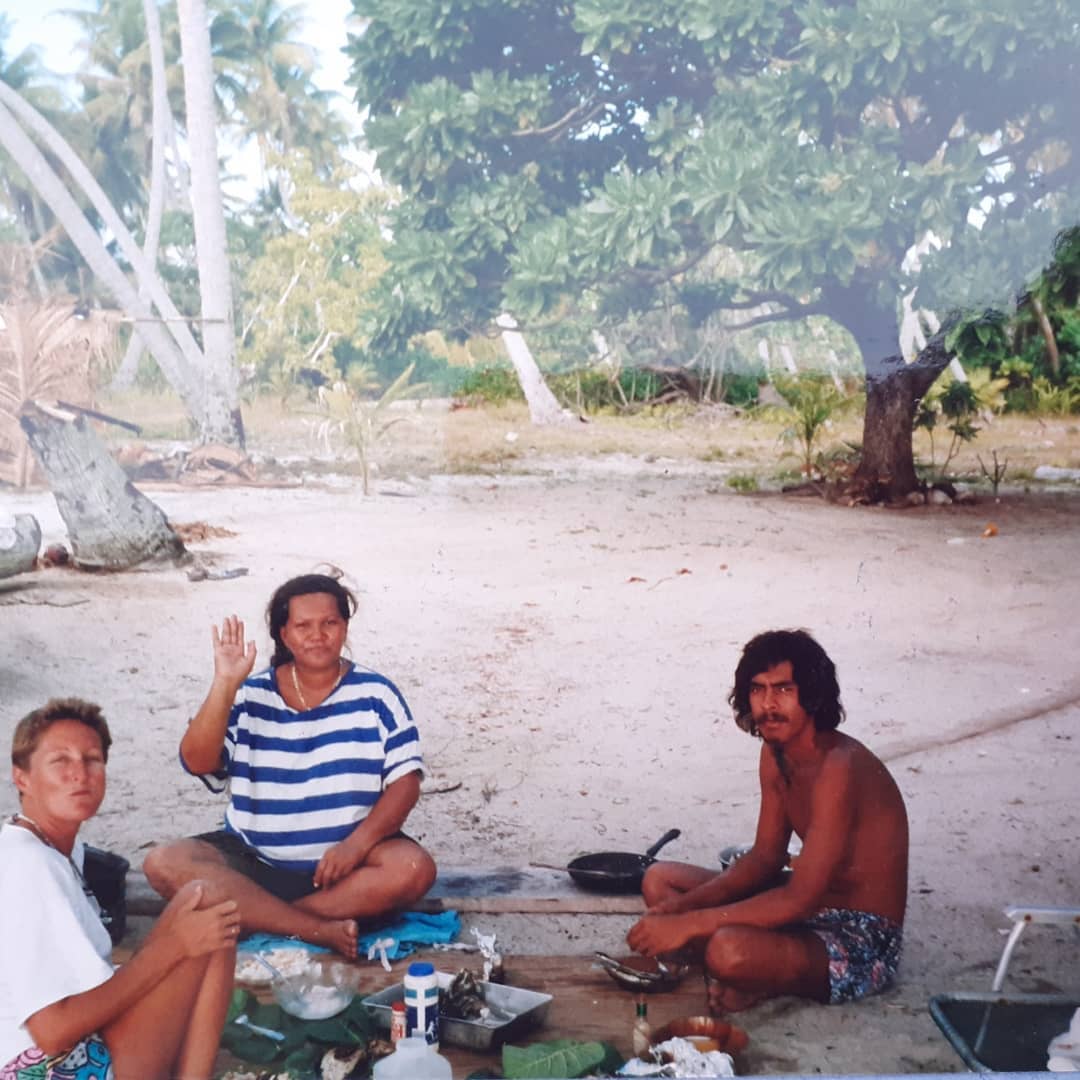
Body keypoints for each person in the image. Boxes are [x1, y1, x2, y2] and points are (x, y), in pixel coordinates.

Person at [143, 572, 437, 958]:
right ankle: (315, 929)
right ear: (284, 634)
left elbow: (405, 784)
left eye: (329, 623)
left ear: (345, 627)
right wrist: (225, 684)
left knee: (414, 868)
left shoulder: (376, 694)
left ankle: (273, 922)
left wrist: (354, 846)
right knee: (163, 863)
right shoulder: (250, 695)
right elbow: (198, 761)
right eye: (303, 626)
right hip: (253, 862)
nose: (317, 635)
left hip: (346, 872)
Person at [627, 629, 908, 1013]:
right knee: (661, 880)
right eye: (757, 690)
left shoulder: (839, 767)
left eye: (783, 690)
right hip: (803, 911)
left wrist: (689, 924)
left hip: (859, 936)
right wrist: (682, 909)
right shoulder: (776, 753)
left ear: (812, 695)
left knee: (729, 950)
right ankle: (758, 971)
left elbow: (800, 898)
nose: (768, 704)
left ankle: (761, 979)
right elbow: (764, 859)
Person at [1, 698, 240, 1080]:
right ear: (22, 778)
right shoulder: (30, 865)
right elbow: (52, 1032)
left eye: (92, 759)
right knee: (206, 920)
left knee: (202, 900)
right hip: (40, 1067)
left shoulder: (49, 847)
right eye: (60, 761)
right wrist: (175, 947)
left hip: (59, 1049)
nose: (79, 773)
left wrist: (173, 947)